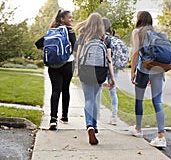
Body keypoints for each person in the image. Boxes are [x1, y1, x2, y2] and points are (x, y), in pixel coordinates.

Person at [129, 11, 167, 148]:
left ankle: (138, 129)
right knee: (157, 101)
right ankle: (161, 136)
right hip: (158, 69)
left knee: (139, 99)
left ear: (139, 19)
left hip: (144, 69)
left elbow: (135, 52)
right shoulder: (156, 33)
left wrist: (132, 71)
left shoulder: (137, 32)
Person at [76, 13, 115, 145]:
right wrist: (112, 77)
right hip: (99, 71)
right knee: (95, 99)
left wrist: (77, 69)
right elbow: (109, 60)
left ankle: (89, 126)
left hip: (86, 70)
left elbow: (79, 55)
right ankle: (95, 125)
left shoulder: (83, 35)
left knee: (88, 99)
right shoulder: (105, 38)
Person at [35, 10, 76, 130]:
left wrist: (50, 53)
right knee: (65, 89)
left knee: (55, 90)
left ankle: (53, 120)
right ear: (62, 19)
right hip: (68, 64)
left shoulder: (51, 31)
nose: (71, 20)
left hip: (53, 66)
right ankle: (64, 116)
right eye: (69, 18)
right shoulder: (69, 30)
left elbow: (38, 43)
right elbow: (76, 46)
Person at [103, 18, 118, 125]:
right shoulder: (114, 38)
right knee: (113, 92)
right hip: (115, 66)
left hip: (104, 65)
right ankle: (114, 116)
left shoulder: (103, 38)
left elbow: (108, 57)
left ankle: (95, 116)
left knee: (97, 91)